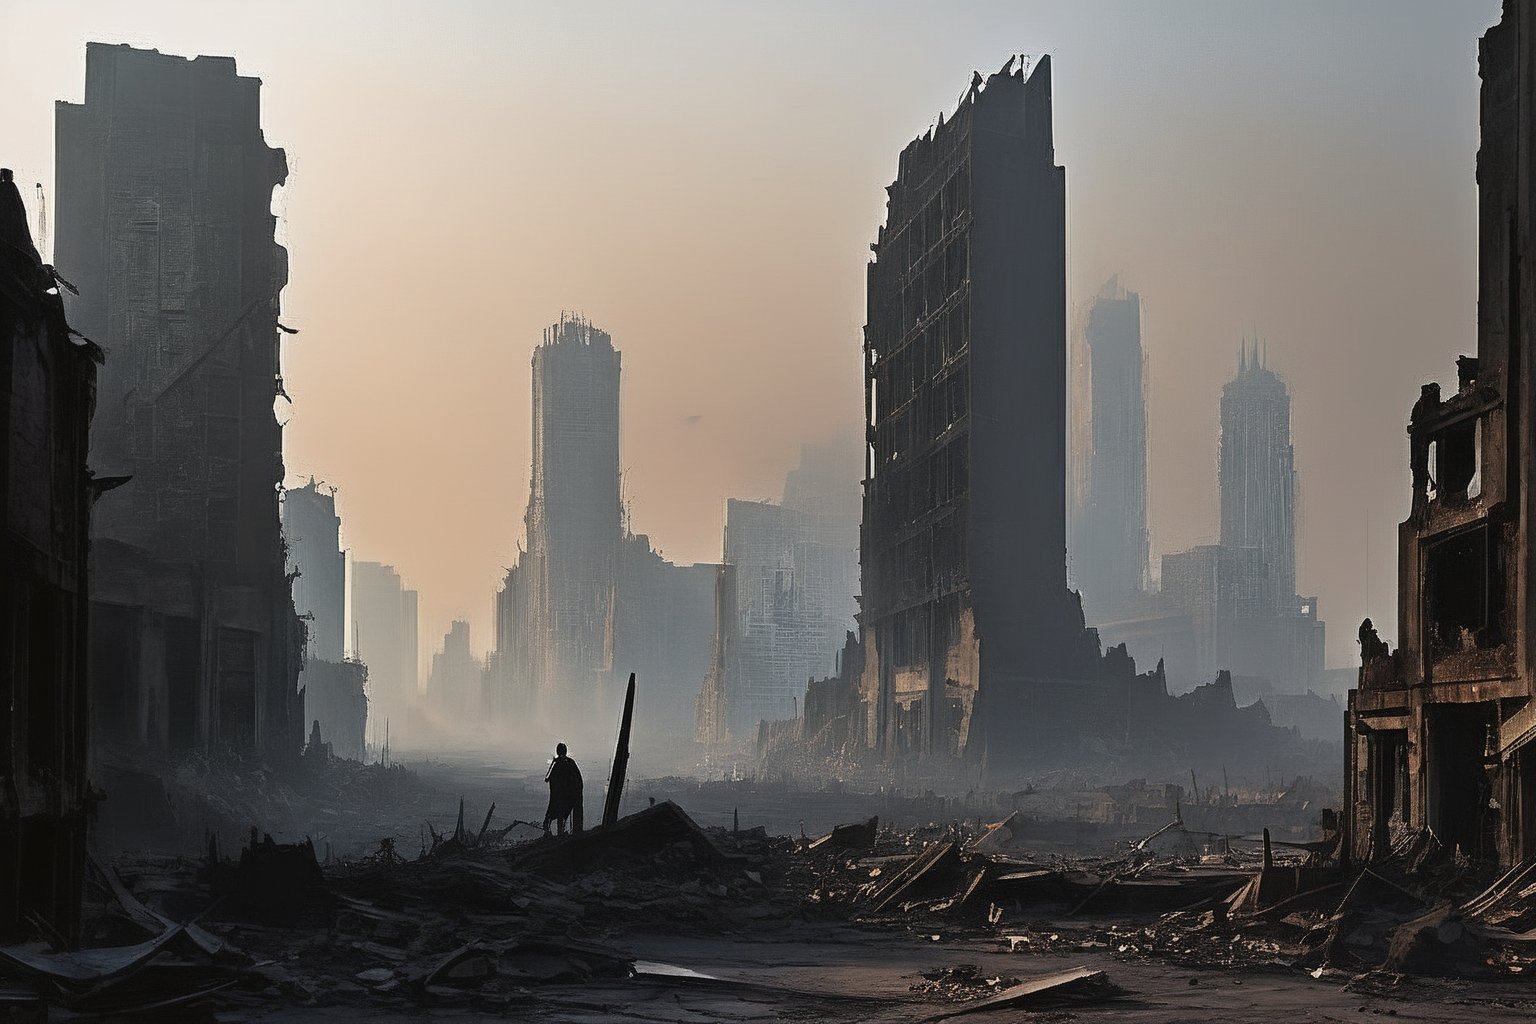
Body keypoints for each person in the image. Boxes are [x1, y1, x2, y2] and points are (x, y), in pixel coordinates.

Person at [543, 742, 583, 835]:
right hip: (569, 795)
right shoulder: (570, 762)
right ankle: (564, 833)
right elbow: (578, 779)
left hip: (558, 795)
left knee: (557, 814)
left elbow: (547, 778)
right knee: (563, 814)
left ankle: (558, 833)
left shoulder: (557, 763)